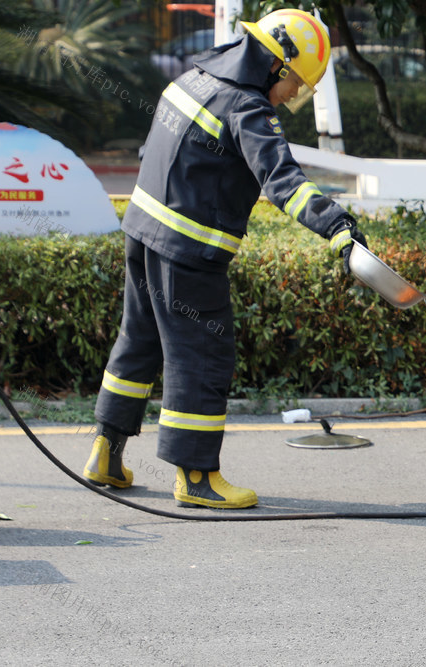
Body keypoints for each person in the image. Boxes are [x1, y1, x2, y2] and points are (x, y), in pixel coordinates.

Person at [82, 8, 366, 509]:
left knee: (139, 341)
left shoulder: (192, 79)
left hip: (141, 231)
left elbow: (153, 150)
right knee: (203, 356)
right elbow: (285, 185)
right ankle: (196, 478)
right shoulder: (247, 107)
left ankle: (106, 451)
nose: (296, 94)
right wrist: (338, 228)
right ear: (277, 66)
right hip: (188, 252)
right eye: (297, 82)